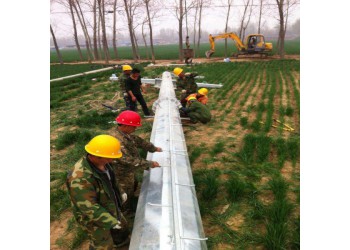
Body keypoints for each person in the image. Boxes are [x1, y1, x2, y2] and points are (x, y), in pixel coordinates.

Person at [67, 135, 130, 249]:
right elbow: (88, 207)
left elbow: (111, 182)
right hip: (94, 218)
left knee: (122, 229)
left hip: (109, 206)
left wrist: (120, 193)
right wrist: (111, 221)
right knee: (102, 245)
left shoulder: (104, 163)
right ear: (96, 156)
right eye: (109, 158)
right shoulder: (80, 178)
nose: (112, 160)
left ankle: (121, 244)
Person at [112, 110, 162, 212]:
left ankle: (131, 201)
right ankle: (124, 210)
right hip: (121, 173)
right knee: (124, 191)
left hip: (129, 170)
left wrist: (153, 148)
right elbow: (127, 160)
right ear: (126, 125)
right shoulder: (117, 141)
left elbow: (138, 141)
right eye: (134, 127)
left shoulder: (124, 133)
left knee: (133, 184)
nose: (135, 129)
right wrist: (149, 163)